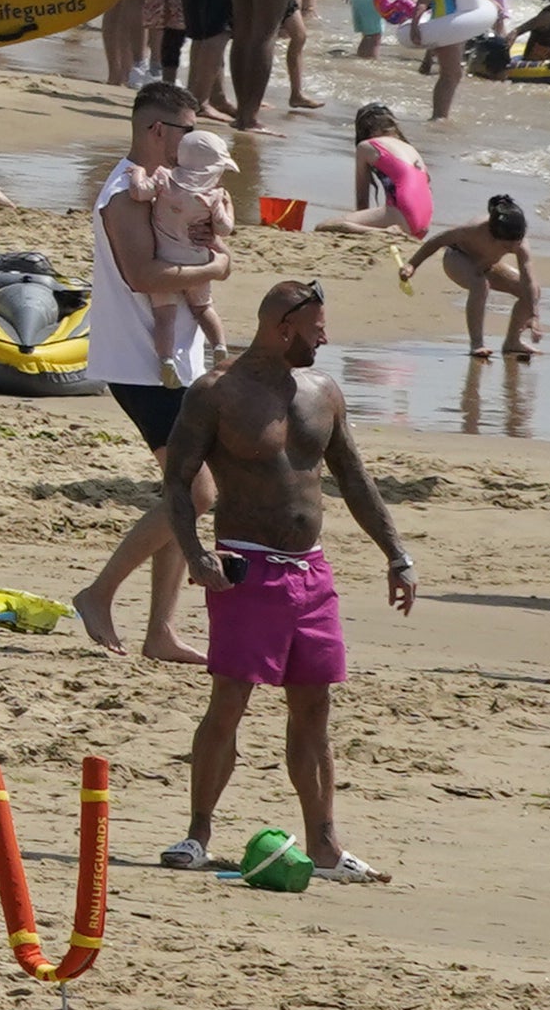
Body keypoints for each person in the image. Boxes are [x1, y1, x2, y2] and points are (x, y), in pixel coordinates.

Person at [152, 275, 414, 877]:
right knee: (229, 702)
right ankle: (196, 835)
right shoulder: (216, 393)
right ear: (284, 327)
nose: (325, 340)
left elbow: (353, 478)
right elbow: (177, 480)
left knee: (314, 710)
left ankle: (324, 846)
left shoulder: (323, 391)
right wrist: (194, 552)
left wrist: (396, 554)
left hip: (312, 573)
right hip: (247, 567)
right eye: (316, 331)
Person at [69, 81, 219, 655]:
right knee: (196, 495)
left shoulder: (165, 189)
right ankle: (100, 593)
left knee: (182, 493)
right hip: (140, 364)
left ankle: (161, 631)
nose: (196, 141)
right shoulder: (124, 194)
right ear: (159, 131)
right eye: (188, 130)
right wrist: (220, 268)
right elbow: (141, 275)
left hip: (175, 358)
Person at [399, 192, 539, 358]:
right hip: (457, 257)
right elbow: (437, 241)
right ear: (492, 234)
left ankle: (512, 341)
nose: (513, 248)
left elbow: (528, 280)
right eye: (506, 246)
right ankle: (477, 344)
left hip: (486, 265)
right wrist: (412, 265)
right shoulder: (473, 230)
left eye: (516, 242)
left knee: (532, 290)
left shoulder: (519, 243)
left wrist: (533, 315)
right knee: (480, 285)